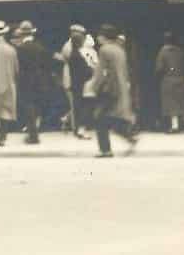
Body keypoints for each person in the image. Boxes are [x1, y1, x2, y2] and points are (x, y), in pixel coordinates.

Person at [88, 23, 141, 157]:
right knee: (110, 117)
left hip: (110, 88)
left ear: (104, 36)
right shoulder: (119, 49)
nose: (98, 37)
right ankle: (129, 137)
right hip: (120, 87)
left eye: (99, 35)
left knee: (100, 117)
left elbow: (100, 71)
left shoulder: (104, 49)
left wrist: (93, 87)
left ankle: (106, 150)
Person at [12, 22, 56, 145]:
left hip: (26, 81)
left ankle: (32, 135)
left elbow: (18, 67)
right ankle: (34, 131)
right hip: (40, 81)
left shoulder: (20, 49)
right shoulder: (40, 47)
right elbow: (47, 65)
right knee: (36, 106)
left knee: (28, 107)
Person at [57, 25, 97, 139]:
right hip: (74, 79)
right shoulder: (73, 48)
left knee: (76, 104)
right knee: (77, 105)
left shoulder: (73, 47)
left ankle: (68, 120)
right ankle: (77, 128)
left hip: (74, 79)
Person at [155, 32, 184, 134]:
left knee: (171, 104)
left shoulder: (163, 51)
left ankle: (175, 126)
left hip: (168, 80)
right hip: (180, 79)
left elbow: (159, 68)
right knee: (182, 103)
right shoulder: (180, 51)